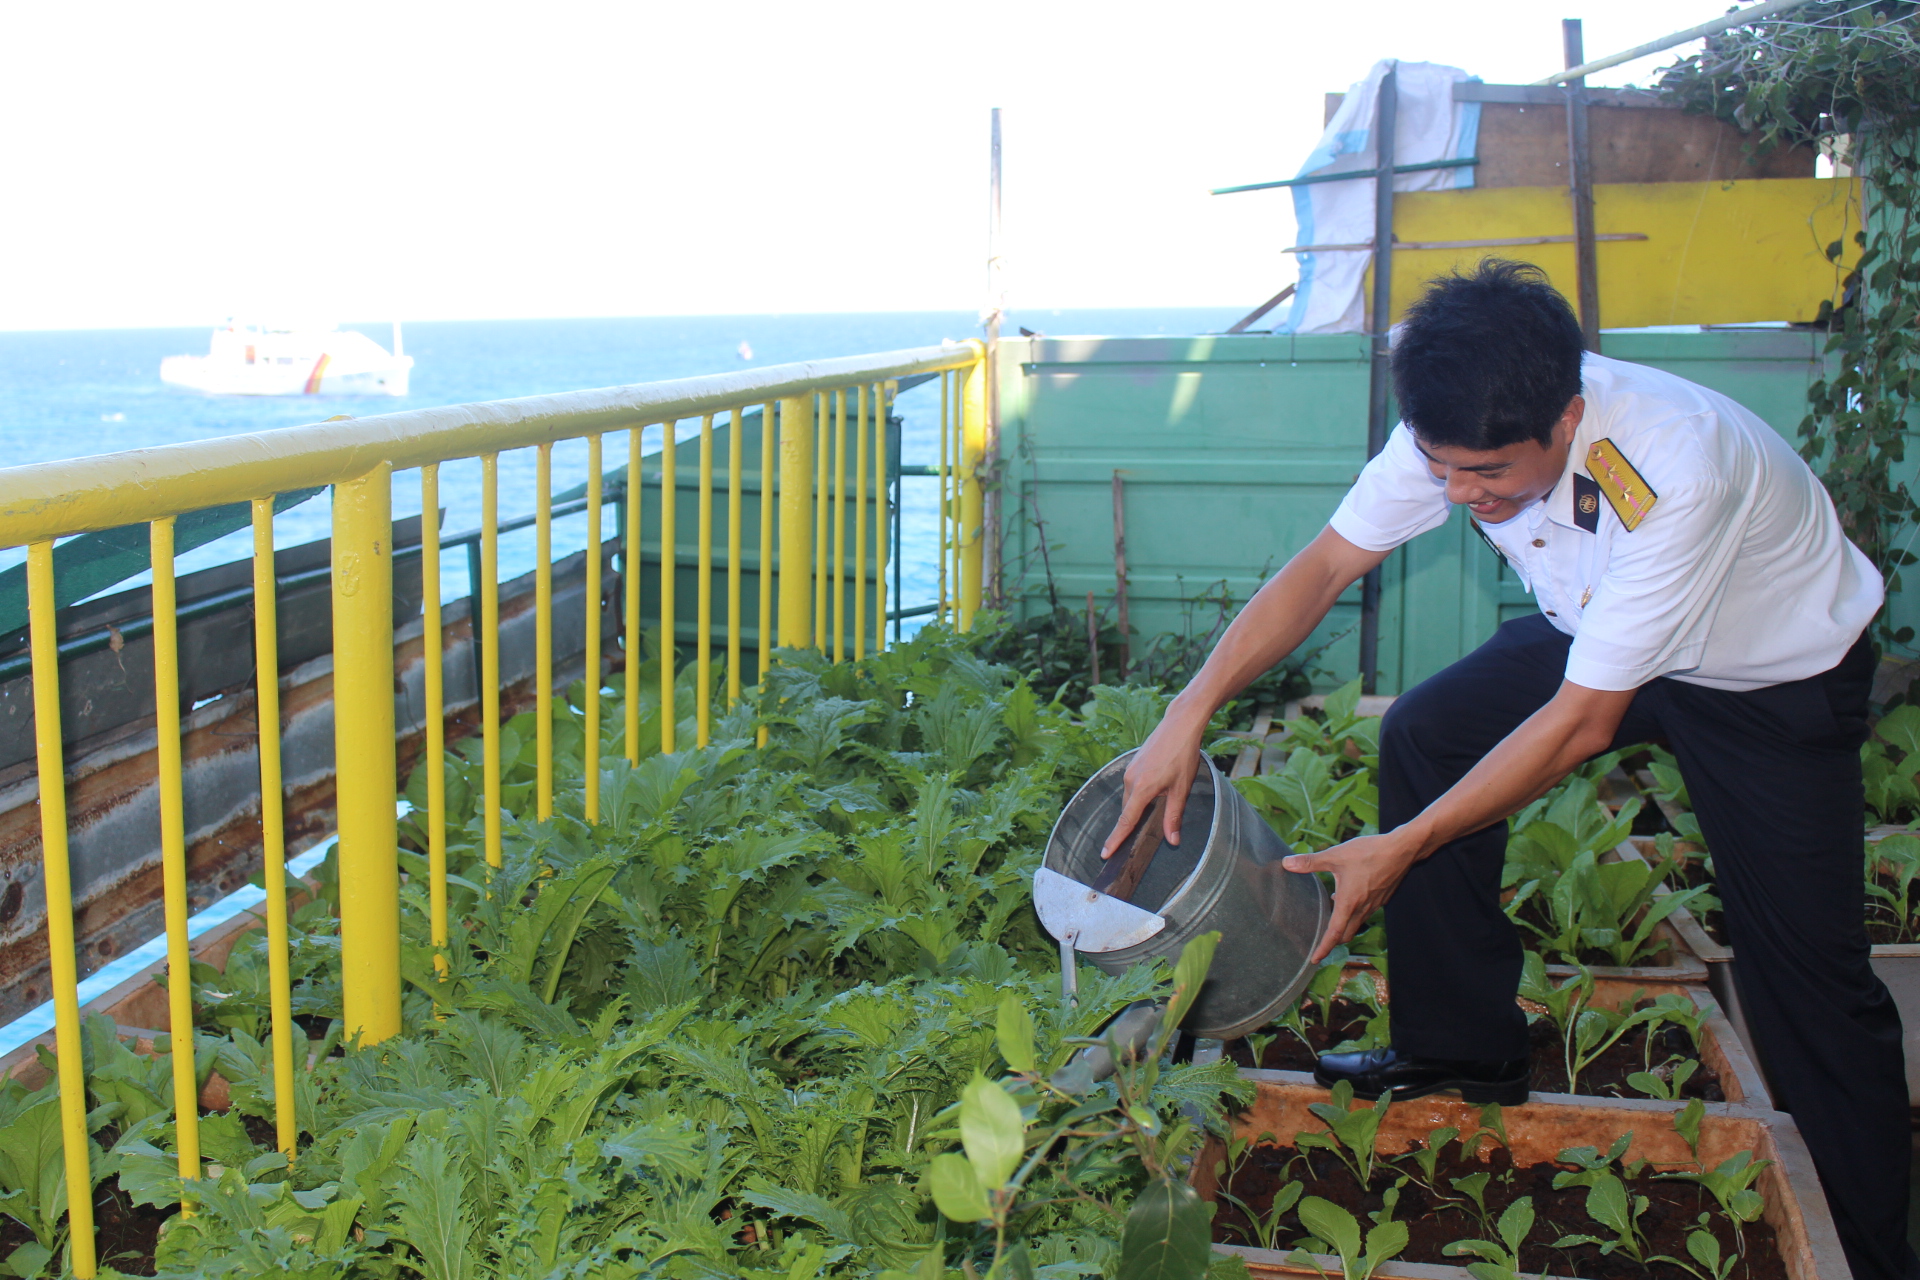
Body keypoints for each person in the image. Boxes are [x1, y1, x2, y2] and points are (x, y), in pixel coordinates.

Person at [1106, 259, 1913, 1280]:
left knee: (1807, 978)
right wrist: (1188, 710)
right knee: (1426, 733)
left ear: (1568, 416)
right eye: (1442, 468)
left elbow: (1581, 723)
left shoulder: (1675, 464)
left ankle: (1873, 1252)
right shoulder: (1456, 423)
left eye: (1485, 474)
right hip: (1603, 629)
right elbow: (1322, 566)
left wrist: (1400, 847)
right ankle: (1459, 1042)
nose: (1458, 494)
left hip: (1770, 672)